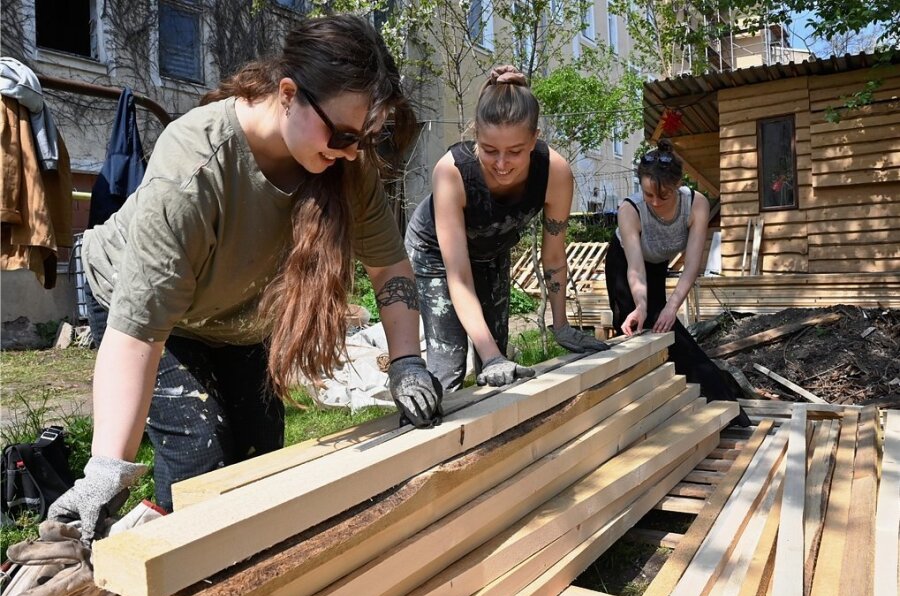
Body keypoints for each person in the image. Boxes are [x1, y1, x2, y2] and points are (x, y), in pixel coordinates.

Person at [47, 15, 443, 542]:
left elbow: (390, 268)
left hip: (235, 316)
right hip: (143, 307)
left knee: (259, 458)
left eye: (364, 138)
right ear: (288, 94)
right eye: (344, 134)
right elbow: (139, 329)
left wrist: (408, 362)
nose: (351, 152)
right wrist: (106, 469)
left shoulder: (346, 163)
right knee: (201, 457)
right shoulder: (194, 165)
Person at [405, 66, 609, 393]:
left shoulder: (554, 173)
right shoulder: (451, 173)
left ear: (534, 139)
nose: (501, 164)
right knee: (449, 367)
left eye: (515, 151)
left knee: (499, 358)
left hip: (491, 251)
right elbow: (458, 276)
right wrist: (491, 357)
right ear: (475, 134)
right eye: (489, 150)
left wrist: (560, 327)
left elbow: (554, 256)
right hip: (437, 258)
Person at [605, 139, 750, 426]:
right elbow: (635, 268)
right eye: (648, 195)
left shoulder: (696, 204)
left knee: (670, 330)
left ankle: (717, 408)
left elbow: (693, 264)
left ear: (679, 184)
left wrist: (672, 306)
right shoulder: (629, 210)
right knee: (639, 334)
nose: (656, 202)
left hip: (658, 267)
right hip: (624, 269)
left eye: (664, 195)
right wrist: (641, 306)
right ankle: (649, 414)